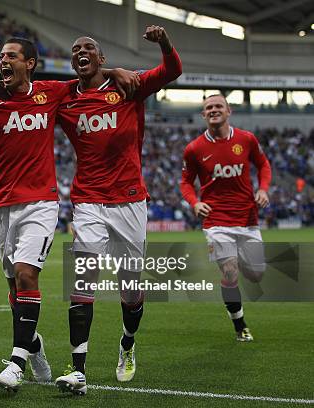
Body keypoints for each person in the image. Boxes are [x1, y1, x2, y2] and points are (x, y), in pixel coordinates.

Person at [0, 9, 138, 391]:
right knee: (13, 288)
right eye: (1, 57)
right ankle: (34, 346)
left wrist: (117, 71)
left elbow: (92, 78)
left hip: (40, 202)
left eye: (10, 56)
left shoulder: (52, 93)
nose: (3, 61)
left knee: (26, 274)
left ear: (30, 64)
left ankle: (16, 362)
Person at [54, 27, 182, 394]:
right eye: (76, 48)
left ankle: (127, 342)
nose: (81, 51)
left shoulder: (128, 86)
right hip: (88, 198)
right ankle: (77, 369)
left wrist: (164, 44)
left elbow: (172, 71)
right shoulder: (64, 99)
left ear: (101, 58)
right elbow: (30, 92)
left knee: (130, 288)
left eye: (89, 47)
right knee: (83, 276)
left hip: (128, 200)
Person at [180, 94, 271, 342]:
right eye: (208, 108)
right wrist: (195, 202)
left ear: (228, 111)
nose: (213, 110)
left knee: (255, 275)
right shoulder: (195, 148)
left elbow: (263, 165)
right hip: (216, 220)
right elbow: (185, 182)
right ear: (203, 115)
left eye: (218, 106)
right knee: (230, 271)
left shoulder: (246, 139)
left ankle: (239, 258)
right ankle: (240, 325)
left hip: (247, 218)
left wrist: (263, 188)